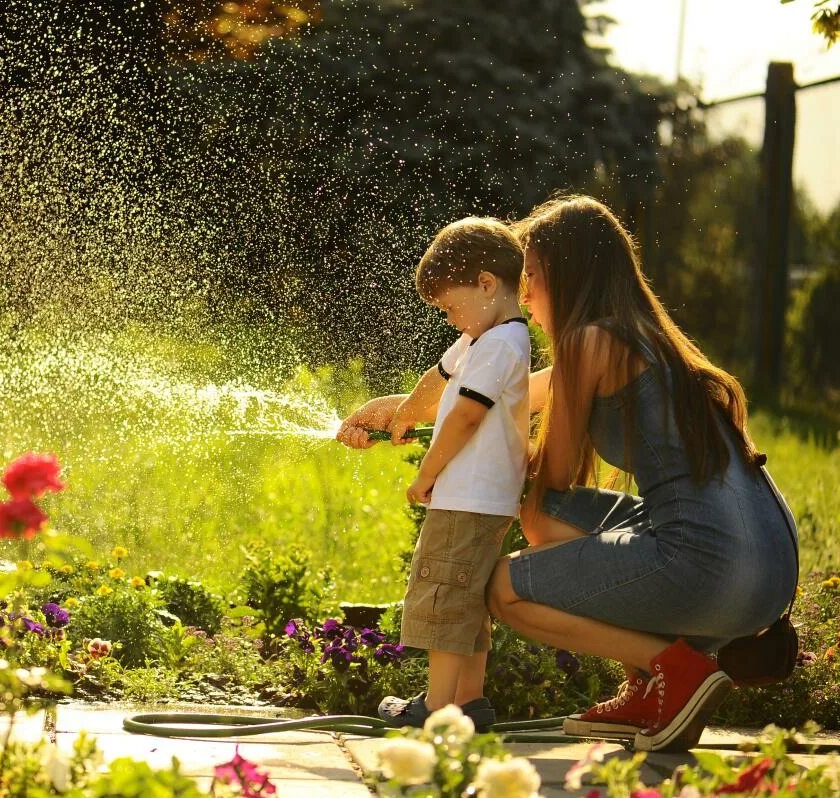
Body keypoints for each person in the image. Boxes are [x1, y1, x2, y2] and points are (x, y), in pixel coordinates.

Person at [338, 195, 798, 752]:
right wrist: (401, 413)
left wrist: (461, 462)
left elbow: (542, 476)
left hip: (714, 566)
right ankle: (659, 677)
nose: (522, 292)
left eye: (530, 275)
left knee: (505, 587)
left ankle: (669, 670)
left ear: (568, 273)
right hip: (770, 564)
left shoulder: (590, 342)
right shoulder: (633, 337)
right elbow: (491, 402)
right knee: (548, 520)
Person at [349, 217, 531, 730]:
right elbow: (440, 378)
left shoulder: (498, 344)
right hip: (481, 499)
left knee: (443, 598)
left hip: (467, 498)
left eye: (451, 307)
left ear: (488, 284)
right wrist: (403, 413)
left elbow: (466, 415)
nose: (451, 319)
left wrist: (426, 474)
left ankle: (436, 707)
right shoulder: (484, 337)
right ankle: (469, 702)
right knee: (466, 600)